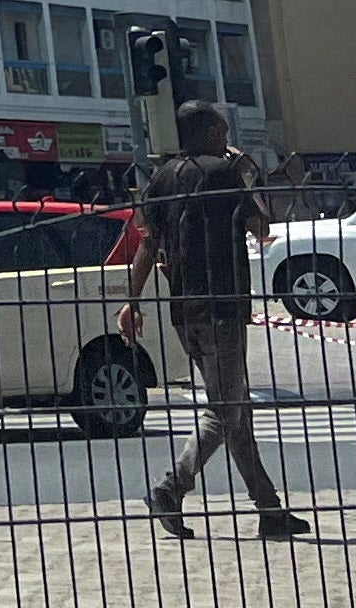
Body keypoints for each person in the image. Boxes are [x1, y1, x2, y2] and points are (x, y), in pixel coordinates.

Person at [121, 100, 311, 540]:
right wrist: (248, 172)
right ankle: (171, 487)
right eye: (222, 132)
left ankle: (269, 509)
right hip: (222, 305)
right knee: (225, 410)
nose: (226, 140)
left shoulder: (162, 178)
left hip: (183, 308)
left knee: (236, 409)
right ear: (207, 133)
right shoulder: (224, 175)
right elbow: (262, 228)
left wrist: (132, 301)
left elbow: (147, 244)